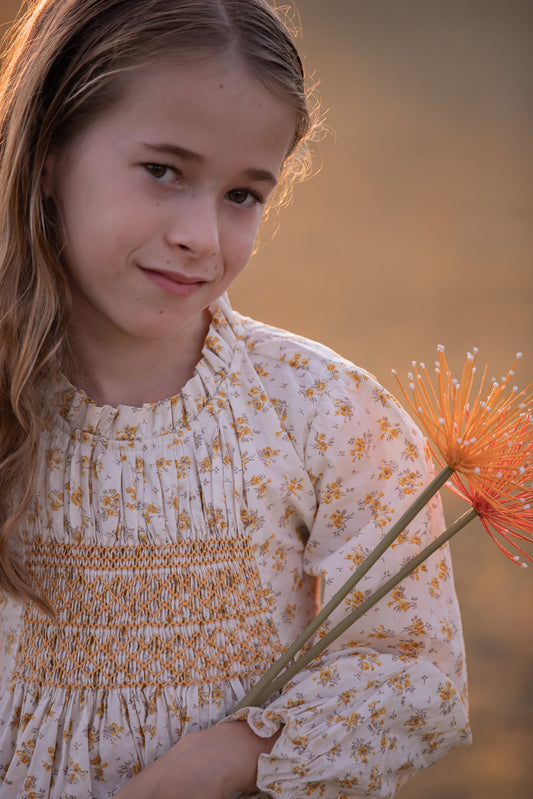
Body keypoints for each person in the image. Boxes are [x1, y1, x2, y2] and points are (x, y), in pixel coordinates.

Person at [0, 1, 471, 796]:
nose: (202, 236)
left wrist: (239, 754)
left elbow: (417, 670)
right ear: (50, 152)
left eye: (242, 195)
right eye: (162, 171)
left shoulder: (326, 411)